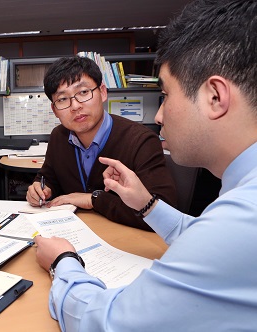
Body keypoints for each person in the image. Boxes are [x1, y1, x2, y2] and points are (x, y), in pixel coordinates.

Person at [34, 0, 257, 330]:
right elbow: (198, 235)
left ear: (215, 96)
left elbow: (106, 321)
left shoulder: (241, 218)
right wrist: (146, 204)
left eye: (165, 94)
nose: (159, 115)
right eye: (63, 100)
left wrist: (64, 261)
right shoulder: (235, 210)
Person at [26, 55, 177, 231]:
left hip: (125, 242)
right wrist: (39, 190)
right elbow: (47, 178)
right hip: (75, 235)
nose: (75, 106)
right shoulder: (59, 136)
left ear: (103, 92)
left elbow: (164, 212)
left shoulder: (140, 141)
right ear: (54, 110)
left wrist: (94, 199)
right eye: (62, 99)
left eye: (83, 92)